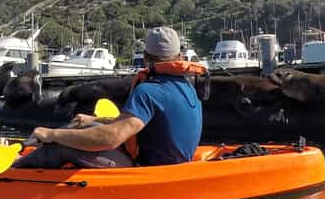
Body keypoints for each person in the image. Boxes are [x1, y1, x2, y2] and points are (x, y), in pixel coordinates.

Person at [14, 26, 204, 168]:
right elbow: (136, 124)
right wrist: (94, 120)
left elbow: (112, 138)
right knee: (84, 126)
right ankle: (32, 149)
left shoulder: (149, 91)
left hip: (146, 170)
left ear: (146, 56)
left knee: (59, 145)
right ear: (180, 56)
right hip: (173, 163)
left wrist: (52, 134)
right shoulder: (187, 87)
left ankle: (16, 167)